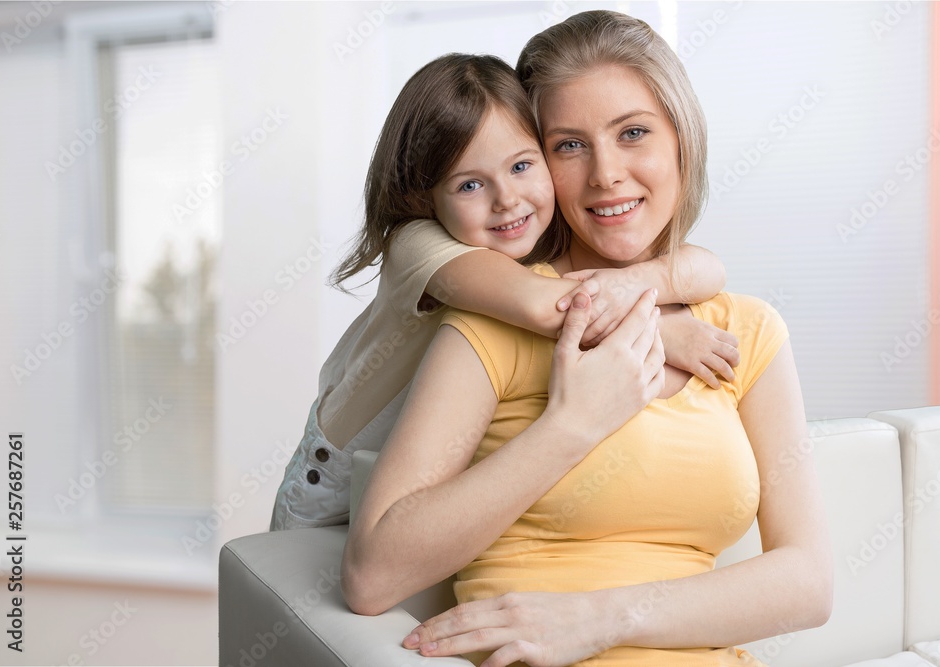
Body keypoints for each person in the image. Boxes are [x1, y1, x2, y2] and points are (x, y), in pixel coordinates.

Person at [342, 10, 833, 667]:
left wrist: (601, 617)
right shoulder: (497, 317)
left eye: (633, 132)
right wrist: (573, 424)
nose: (605, 173)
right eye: (568, 145)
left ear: (682, 140)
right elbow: (373, 574)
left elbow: (809, 581)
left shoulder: (746, 330)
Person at [269, 53, 737, 531]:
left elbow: (708, 268)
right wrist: (664, 331)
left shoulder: (528, 240)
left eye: (521, 166)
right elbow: (546, 305)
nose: (507, 199)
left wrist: (635, 281)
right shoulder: (419, 244)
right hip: (333, 490)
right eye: (470, 184)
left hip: (432, 483)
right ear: (422, 196)